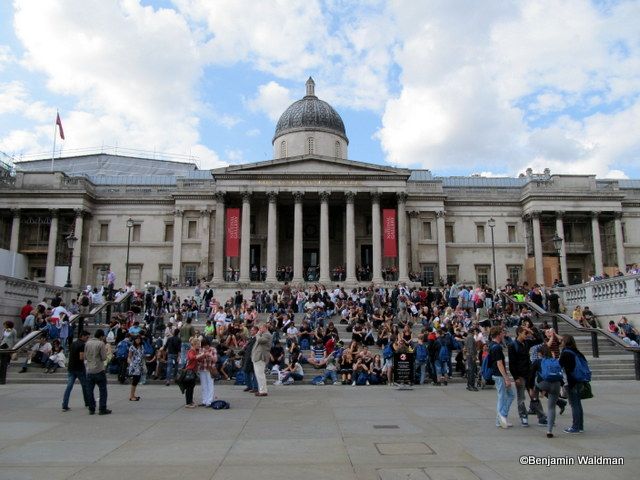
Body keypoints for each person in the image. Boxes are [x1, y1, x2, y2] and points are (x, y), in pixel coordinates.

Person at [559, 335, 587, 434]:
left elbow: (560, 366)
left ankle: (575, 427)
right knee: (578, 404)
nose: (560, 342)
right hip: (580, 380)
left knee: (574, 405)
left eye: (562, 340)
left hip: (571, 381)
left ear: (565, 342)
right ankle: (580, 426)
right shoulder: (577, 352)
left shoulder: (565, 353)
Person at [489, 326, 515, 429]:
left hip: (497, 374)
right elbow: (500, 364)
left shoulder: (492, 345)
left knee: (508, 395)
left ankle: (501, 418)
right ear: (499, 334)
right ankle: (501, 418)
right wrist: (506, 378)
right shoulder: (497, 347)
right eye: (502, 333)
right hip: (499, 375)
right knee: (504, 397)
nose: (504, 335)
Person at [62, 331, 91, 412]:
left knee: (69, 386)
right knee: (85, 386)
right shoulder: (82, 345)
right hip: (79, 368)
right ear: (82, 336)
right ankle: (87, 402)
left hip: (71, 367)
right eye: (87, 337)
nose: (87, 339)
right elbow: (81, 357)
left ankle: (65, 404)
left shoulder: (73, 343)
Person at [85, 329, 111, 415]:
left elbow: (85, 356)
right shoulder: (101, 343)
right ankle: (102, 408)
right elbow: (103, 357)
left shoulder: (87, 343)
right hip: (99, 369)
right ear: (101, 336)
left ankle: (91, 408)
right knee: (103, 390)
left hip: (89, 369)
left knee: (90, 390)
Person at [251, 323, 272, 397]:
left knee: (260, 375)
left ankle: (263, 391)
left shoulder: (267, 335)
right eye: (259, 328)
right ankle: (261, 390)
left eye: (261, 328)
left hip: (260, 356)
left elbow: (260, 340)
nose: (259, 330)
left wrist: (257, 334)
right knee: (258, 375)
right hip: (257, 356)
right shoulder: (263, 334)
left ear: (265, 328)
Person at [197, 338, 217, 407]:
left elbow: (215, 360)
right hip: (202, 368)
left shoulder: (213, 349)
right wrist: (202, 355)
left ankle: (209, 401)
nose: (205, 347)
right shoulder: (201, 349)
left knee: (210, 385)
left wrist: (210, 356)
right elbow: (197, 359)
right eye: (204, 345)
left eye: (206, 345)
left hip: (210, 369)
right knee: (203, 385)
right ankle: (204, 400)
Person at [183, 338, 200, 408]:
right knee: (189, 388)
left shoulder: (195, 351)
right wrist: (200, 355)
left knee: (191, 387)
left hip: (193, 371)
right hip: (189, 371)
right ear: (194, 344)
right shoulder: (191, 351)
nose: (199, 346)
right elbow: (192, 357)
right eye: (198, 344)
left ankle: (191, 401)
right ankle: (188, 403)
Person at [127, 336, 144, 401]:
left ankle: (133, 394)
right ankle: (131, 396)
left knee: (137, 380)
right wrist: (131, 363)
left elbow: (142, 356)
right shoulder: (132, 347)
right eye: (136, 339)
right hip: (134, 366)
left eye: (139, 339)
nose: (138, 340)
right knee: (135, 380)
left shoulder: (142, 346)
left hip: (140, 365)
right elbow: (129, 357)